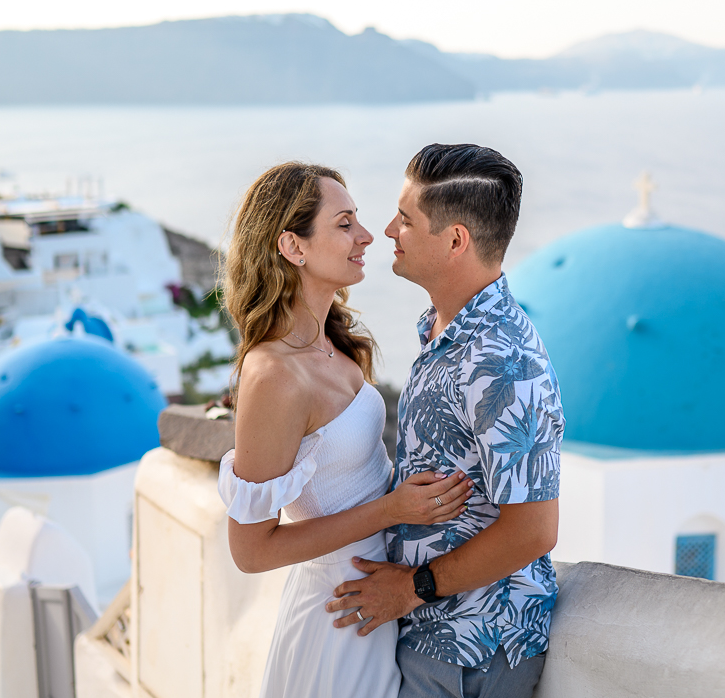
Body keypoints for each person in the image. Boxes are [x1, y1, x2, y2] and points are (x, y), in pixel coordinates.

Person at [217, 162, 474, 698]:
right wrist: (390, 510)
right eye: (344, 223)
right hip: (338, 616)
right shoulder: (273, 375)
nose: (366, 236)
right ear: (293, 246)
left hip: (380, 598)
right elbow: (252, 551)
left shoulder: (335, 344)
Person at [326, 144, 564, 698]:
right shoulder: (444, 331)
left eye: (407, 220)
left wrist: (411, 589)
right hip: (436, 639)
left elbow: (534, 529)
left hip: (476, 650)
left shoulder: (503, 361)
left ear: (456, 240)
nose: (387, 230)